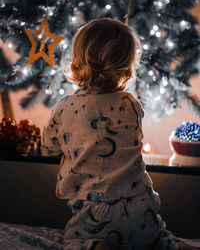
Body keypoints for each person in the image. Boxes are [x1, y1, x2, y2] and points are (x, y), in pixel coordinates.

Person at [42, 18, 196, 250]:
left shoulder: (65, 108)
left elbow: (48, 147)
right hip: (141, 208)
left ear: (76, 64)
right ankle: (174, 246)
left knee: (75, 243)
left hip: (95, 213)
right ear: (127, 67)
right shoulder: (130, 104)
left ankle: (99, 245)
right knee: (159, 239)